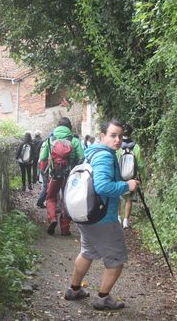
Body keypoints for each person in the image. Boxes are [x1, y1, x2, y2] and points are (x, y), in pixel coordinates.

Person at [63, 119, 140, 311]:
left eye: (120, 136)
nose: (117, 140)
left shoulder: (92, 153)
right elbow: (103, 186)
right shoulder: (105, 157)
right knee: (117, 259)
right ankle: (103, 298)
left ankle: (74, 290)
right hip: (102, 218)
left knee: (87, 252)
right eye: (113, 135)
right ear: (103, 136)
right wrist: (127, 186)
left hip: (86, 214)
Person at [38, 117, 84, 236]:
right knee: (67, 200)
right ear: (69, 127)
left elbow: (42, 158)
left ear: (58, 126)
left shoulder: (50, 139)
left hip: (55, 175)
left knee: (51, 197)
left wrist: (44, 170)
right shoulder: (74, 140)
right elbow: (82, 157)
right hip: (70, 177)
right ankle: (65, 228)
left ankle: (52, 218)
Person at [117, 124, 145, 229]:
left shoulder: (118, 145)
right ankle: (126, 221)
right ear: (131, 133)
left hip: (119, 175)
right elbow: (140, 164)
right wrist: (142, 175)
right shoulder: (136, 146)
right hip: (132, 176)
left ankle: (118, 217)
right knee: (129, 199)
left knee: (118, 197)